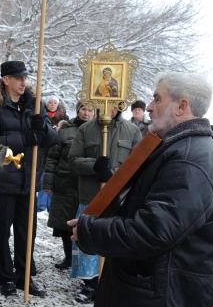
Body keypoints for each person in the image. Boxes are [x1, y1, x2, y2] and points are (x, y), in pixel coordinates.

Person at [69, 73, 213, 307]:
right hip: (150, 285)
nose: (150, 107)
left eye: (157, 99)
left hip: (164, 292)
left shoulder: (190, 160)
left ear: (181, 106)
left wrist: (90, 231)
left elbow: (154, 231)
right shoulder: (178, 148)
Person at [0, 60, 58, 297]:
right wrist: (25, 137)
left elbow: (52, 141)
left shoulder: (34, 104)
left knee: (27, 232)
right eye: (18, 77)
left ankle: (24, 277)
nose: (24, 82)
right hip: (1, 180)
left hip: (28, 179)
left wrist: (42, 127)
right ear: (6, 80)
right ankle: (6, 277)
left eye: (25, 77)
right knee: (0, 232)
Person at [68, 105, 142, 303]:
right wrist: (94, 165)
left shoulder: (133, 131)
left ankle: (110, 281)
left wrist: (116, 173)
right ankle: (90, 283)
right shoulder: (85, 129)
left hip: (119, 198)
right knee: (88, 239)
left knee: (113, 239)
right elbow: (73, 159)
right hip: (90, 195)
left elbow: (139, 163)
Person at [43, 101, 95, 270]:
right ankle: (69, 258)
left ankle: (82, 262)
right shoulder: (66, 129)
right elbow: (53, 157)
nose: (86, 113)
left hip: (86, 185)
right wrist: (49, 183)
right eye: (83, 109)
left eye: (90, 110)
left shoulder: (99, 131)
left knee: (83, 224)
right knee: (65, 225)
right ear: (78, 110)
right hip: (65, 183)